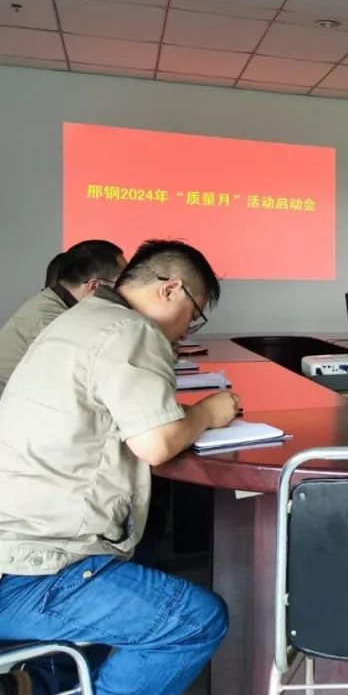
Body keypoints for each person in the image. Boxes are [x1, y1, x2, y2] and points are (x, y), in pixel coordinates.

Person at [0, 240, 238, 695]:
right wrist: (207, 413)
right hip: (30, 567)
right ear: (171, 289)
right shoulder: (130, 328)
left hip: (18, 545)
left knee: (139, 556)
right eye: (194, 315)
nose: (187, 330)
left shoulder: (79, 317)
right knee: (195, 621)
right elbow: (156, 444)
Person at [0, 239, 126, 396]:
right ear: (94, 286)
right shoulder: (50, 320)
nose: (126, 289)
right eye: (122, 282)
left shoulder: (56, 304)